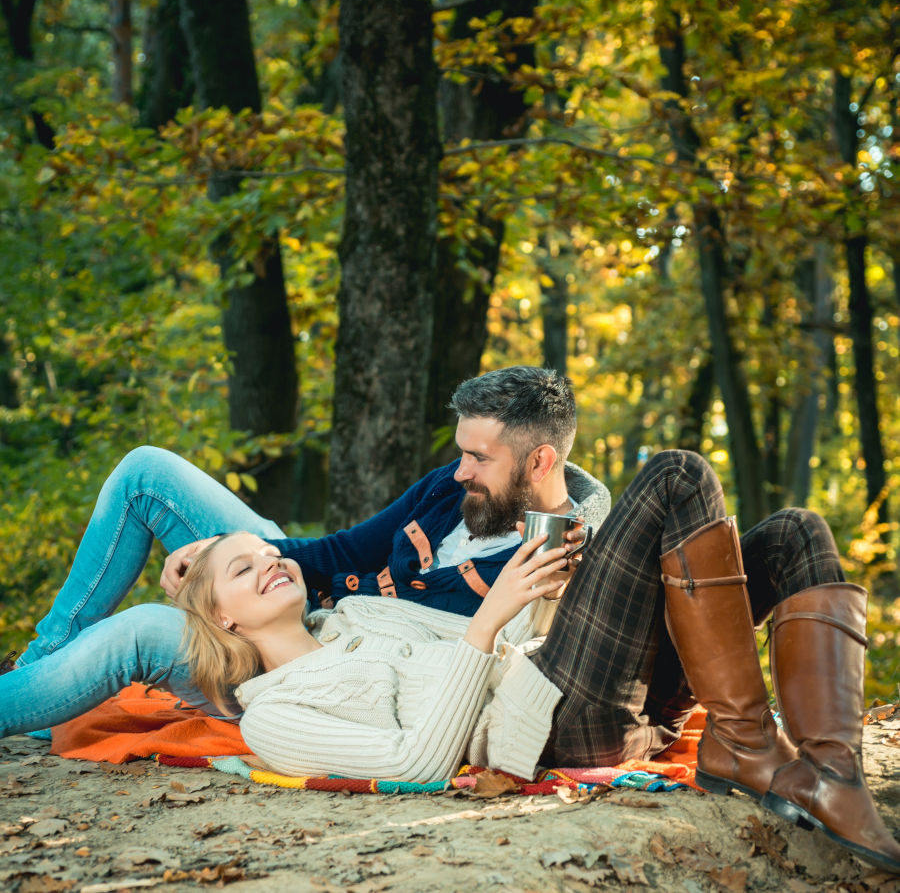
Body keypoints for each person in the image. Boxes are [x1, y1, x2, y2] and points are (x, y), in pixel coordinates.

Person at [173, 450, 900, 875]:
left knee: (794, 535)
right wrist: (491, 619)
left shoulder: (354, 615)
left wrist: (549, 584)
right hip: (552, 722)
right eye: (244, 569)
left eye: (271, 552)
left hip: (572, 675)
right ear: (221, 617)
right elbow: (418, 762)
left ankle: (830, 773)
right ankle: (748, 748)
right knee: (675, 476)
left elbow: (510, 635)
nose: (272, 563)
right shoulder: (271, 717)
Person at [0, 367, 609, 729]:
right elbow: (347, 551)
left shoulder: (552, 559)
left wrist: (252, 578)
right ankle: (38, 671)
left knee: (140, 633)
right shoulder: (457, 491)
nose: (459, 471)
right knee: (146, 474)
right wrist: (233, 550)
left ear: (540, 461)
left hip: (315, 660)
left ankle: (17, 703)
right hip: (299, 595)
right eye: (461, 452)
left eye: (479, 458)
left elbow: (457, 666)